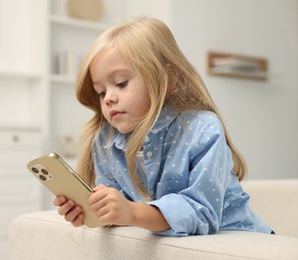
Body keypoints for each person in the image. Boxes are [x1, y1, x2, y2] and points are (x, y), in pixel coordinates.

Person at [53, 17, 272, 236]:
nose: (108, 98)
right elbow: (121, 208)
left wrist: (131, 212)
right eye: (101, 92)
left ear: (167, 78)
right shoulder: (106, 139)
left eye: (121, 83)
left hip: (242, 242)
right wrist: (98, 210)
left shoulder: (202, 129)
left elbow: (201, 214)